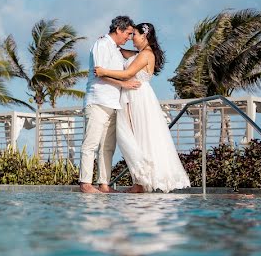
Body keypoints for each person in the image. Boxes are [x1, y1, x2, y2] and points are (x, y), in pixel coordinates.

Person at [95, 22, 191, 193]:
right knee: (133, 136)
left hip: (137, 96)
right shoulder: (140, 53)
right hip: (134, 95)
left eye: (135, 35)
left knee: (135, 137)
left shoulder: (146, 54)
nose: (132, 38)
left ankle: (141, 182)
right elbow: (122, 52)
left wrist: (104, 72)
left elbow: (127, 74)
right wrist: (108, 41)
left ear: (144, 36)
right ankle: (140, 180)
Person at [79, 16, 142, 194]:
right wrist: (124, 84)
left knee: (108, 147)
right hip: (98, 101)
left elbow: (136, 56)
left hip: (114, 104)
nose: (129, 37)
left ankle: (104, 185)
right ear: (118, 30)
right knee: (90, 144)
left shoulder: (116, 49)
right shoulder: (101, 44)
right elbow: (99, 73)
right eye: (128, 33)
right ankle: (85, 183)